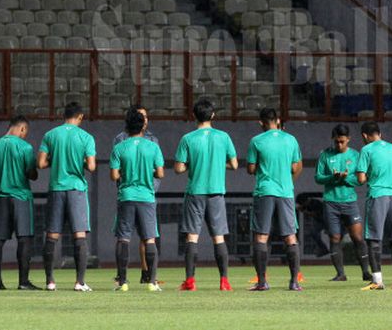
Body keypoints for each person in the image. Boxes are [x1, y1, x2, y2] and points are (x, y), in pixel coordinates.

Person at [174, 98, 237, 291]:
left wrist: (192, 165)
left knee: (192, 237)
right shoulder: (224, 137)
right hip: (216, 192)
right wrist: (219, 163)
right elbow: (234, 165)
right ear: (213, 115)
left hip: (195, 192)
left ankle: (190, 281)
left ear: (194, 116)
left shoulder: (188, 139)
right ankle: (224, 280)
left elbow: (178, 168)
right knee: (218, 237)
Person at [38, 102, 97, 292]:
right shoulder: (86, 137)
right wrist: (78, 161)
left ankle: (50, 282)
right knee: (79, 234)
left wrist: (57, 160)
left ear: (64, 115)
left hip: (56, 188)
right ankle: (80, 282)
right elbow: (92, 166)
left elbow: (41, 163)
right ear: (80, 117)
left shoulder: (51, 134)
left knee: (52, 235)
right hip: (76, 189)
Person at [247, 108, 303, 292]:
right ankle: (294, 282)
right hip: (286, 192)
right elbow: (295, 167)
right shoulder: (291, 139)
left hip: (265, 191)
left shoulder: (256, 141)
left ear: (261, 122)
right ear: (278, 120)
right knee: (290, 236)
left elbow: (251, 168)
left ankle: (262, 282)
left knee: (262, 236)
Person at [111, 108, 165, 292]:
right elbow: (160, 173)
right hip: (146, 197)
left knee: (123, 239)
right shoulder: (153, 146)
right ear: (143, 125)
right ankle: (152, 282)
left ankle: (123, 282)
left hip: (126, 196)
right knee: (149, 239)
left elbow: (114, 175)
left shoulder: (119, 147)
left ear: (127, 125)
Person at [0, 116, 40, 290]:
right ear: (22, 129)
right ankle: (23, 282)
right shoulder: (25, 147)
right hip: (21, 197)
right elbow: (32, 173)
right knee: (24, 239)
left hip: (2, 196)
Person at [315, 124, 371, 282]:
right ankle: (340, 274)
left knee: (357, 237)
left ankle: (366, 272)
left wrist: (346, 178)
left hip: (349, 202)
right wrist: (333, 177)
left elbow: (361, 180)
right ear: (333, 140)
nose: (339, 145)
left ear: (348, 140)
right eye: (337, 142)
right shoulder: (325, 155)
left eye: (342, 142)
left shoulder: (355, 155)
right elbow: (318, 177)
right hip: (331, 202)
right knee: (334, 238)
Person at [355, 122, 392, 291]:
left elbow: (361, 179)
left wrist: (369, 175)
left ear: (364, 136)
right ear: (380, 133)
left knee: (374, 240)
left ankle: (377, 280)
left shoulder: (366, 150)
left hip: (377, 196)